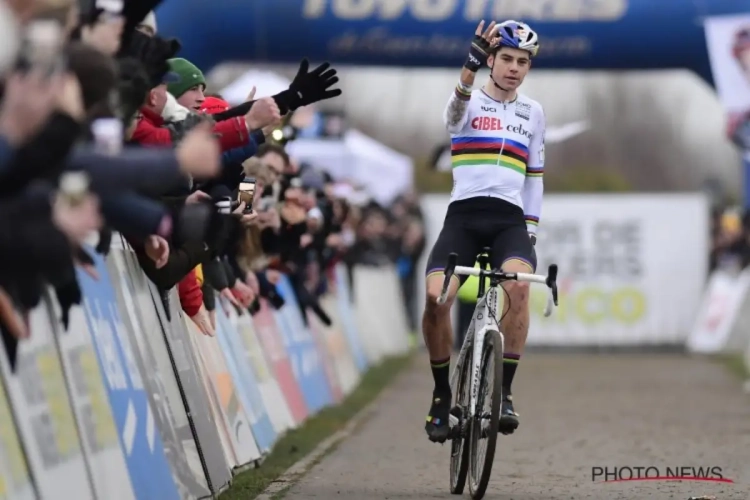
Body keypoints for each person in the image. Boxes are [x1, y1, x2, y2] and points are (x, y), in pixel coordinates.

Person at [422, 19, 545, 443]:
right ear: (491, 59)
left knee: (520, 289)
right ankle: (442, 397)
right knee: (436, 298)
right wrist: (466, 72)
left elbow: (535, 177)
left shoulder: (534, 113)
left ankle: (505, 393)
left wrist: (530, 232)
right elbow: (452, 118)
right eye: (507, 59)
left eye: (522, 62)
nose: (514, 68)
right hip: (464, 219)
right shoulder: (469, 100)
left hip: (509, 221)